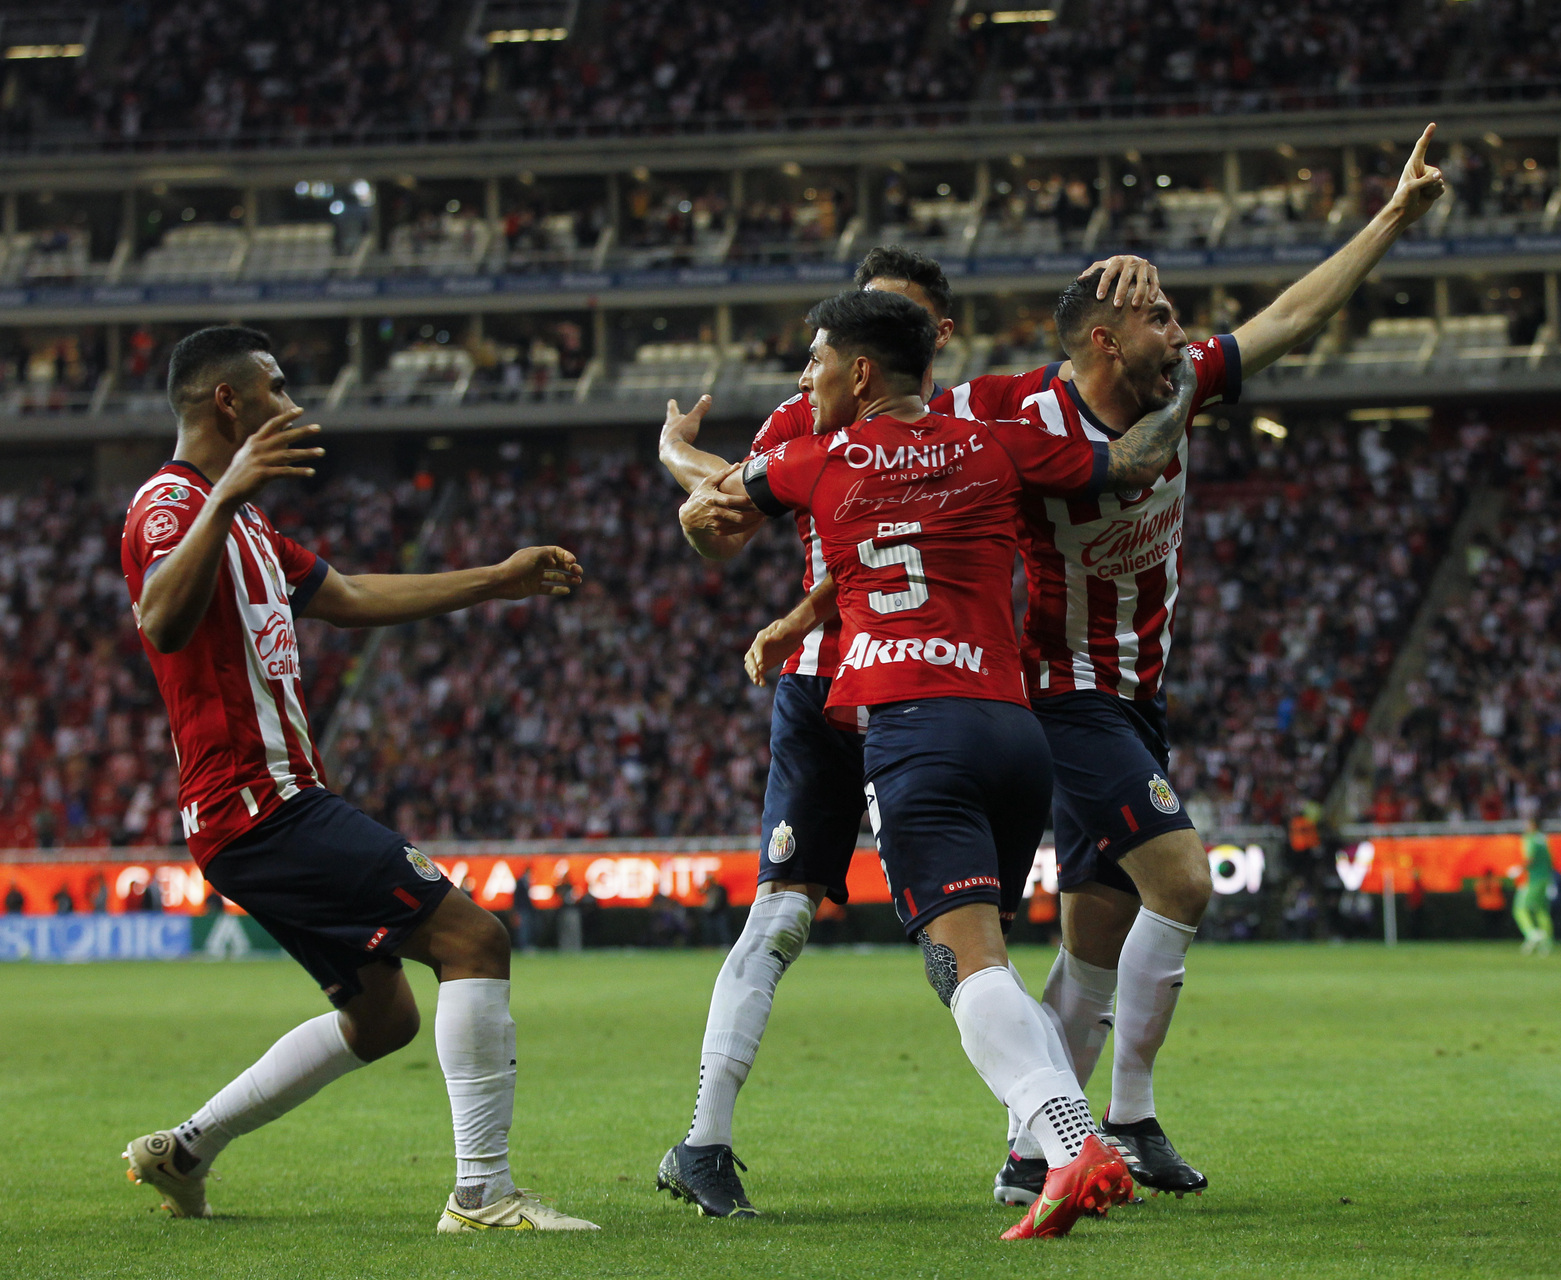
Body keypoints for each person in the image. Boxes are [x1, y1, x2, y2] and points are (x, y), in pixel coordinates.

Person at [686, 125, 1449, 1207]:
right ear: (1102, 338)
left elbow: (1289, 318)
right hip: (1054, 692)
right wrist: (788, 588)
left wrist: (1393, 216)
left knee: (1094, 937)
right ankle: (1121, 1119)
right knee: (1179, 881)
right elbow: (880, 477)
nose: (1182, 334)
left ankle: (1030, 1150)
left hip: (1135, 690)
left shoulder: (1180, 381)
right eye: (1159, 317)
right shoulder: (1001, 409)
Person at [698, 287, 1204, 1239]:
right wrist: (1180, 394)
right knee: (988, 956)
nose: (807, 381)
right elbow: (1133, 459)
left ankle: (1070, 1144)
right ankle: (1059, 1145)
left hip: (911, 729)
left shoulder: (819, 458)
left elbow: (715, 504)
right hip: (1014, 729)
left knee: (963, 964)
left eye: (818, 364)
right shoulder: (994, 442)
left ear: (859, 373)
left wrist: (683, 480)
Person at [117, 326, 595, 1233]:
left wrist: (495, 580)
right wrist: (227, 495)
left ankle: (184, 1152)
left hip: (269, 808)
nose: (293, 404)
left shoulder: (249, 525)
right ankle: (483, 1195)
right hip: (259, 808)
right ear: (229, 401)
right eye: (277, 386)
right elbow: (162, 622)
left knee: (383, 1020)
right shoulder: (172, 506)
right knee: (474, 940)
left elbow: (350, 597)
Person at [1514, 817, 1554, 955]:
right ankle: (1546, 943)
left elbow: (1530, 859)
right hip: (1546, 878)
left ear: (1533, 825)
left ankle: (1531, 934)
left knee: (1520, 908)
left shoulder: (1529, 839)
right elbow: (1550, 860)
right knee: (1541, 910)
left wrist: (1519, 869)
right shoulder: (1544, 839)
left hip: (1534, 879)